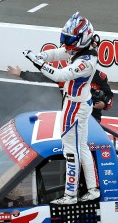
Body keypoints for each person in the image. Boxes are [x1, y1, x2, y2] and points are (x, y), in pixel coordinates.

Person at [23, 12, 101, 204]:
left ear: (81, 37)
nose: (66, 44)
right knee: (82, 147)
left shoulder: (85, 62)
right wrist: (43, 55)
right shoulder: (83, 48)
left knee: (70, 150)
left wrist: (38, 62)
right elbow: (59, 52)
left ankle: (70, 195)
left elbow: (59, 75)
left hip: (74, 105)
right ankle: (93, 189)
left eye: (70, 40)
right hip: (81, 102)